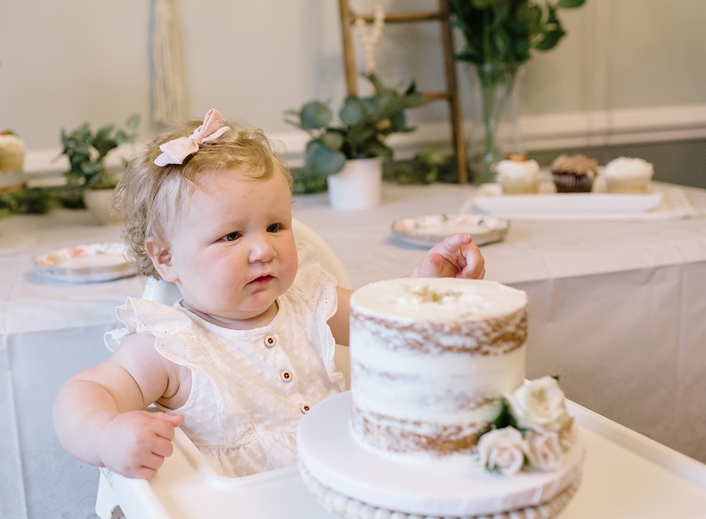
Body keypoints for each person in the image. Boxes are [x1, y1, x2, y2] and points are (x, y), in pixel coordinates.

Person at [52, 108, 485, 480]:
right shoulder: (169, 347)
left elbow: (385, 323)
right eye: (231, 235)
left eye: (276, 226)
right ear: (166, 258)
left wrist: (430, 288)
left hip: (344, 482)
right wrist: (106, 435)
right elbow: (85, 392)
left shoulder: (308, 300)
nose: (263, 249)